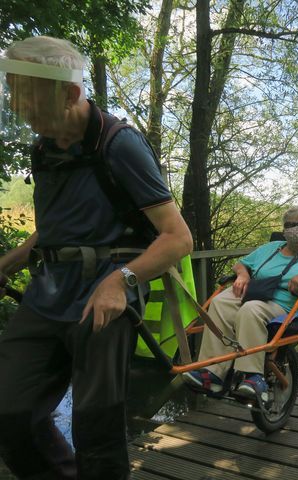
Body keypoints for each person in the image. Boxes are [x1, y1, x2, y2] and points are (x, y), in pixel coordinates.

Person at [0, 36, 193, 479]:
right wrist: (12, 258)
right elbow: (59, 226)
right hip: (49, 291)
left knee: (96, 424)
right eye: (12, 90)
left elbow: (177, 237)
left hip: (106, 294)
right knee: (9, 410)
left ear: (69, 93)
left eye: (26, 92)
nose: (17, 105)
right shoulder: (43, 147)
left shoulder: (118, 143)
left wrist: (119, 281)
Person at [183, 206, 298, 401]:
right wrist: (243, 274)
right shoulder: (270, 248)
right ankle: (213, 373)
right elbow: (241, 263)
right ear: (284, 229)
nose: (295, 229)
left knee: (250, 309)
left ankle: (253, 377)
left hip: (290, 306)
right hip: (258, 293)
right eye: (290, 225)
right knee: (220, 301)